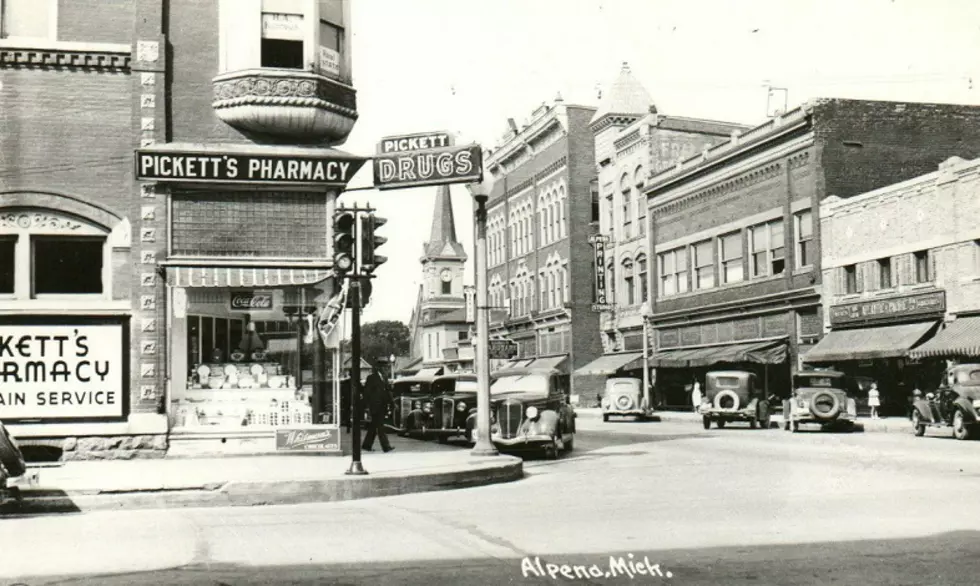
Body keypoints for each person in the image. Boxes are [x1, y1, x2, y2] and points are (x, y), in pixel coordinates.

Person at [361, 367, 395, 453]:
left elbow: (387, 392)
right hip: (375, 407)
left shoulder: (385, 378)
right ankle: (386, 447)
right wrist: (367, 405)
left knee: (373, 427)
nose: (387, 370)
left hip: (382, 407)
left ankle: (366, 445)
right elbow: (367, 392)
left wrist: (392, 403)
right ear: (381, 369)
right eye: (385, 368)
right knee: (380, 427)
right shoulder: (371, 378)